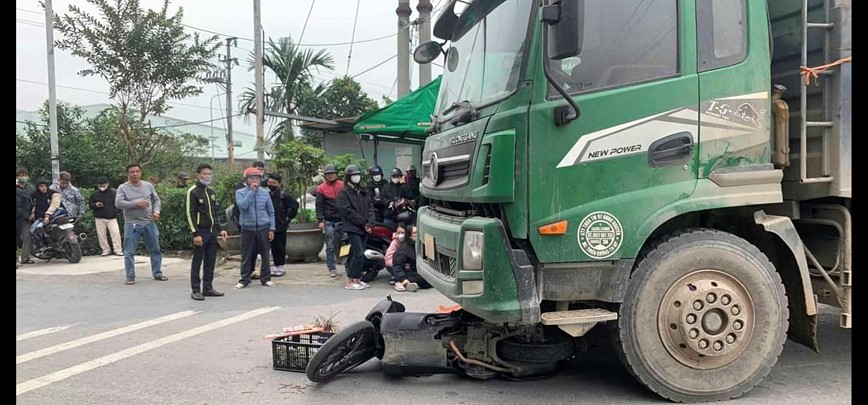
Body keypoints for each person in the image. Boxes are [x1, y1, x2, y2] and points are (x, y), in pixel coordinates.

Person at [115, 163, 167, 285]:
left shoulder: (148, 185)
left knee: (155, 249)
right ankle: (130, 276)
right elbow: (118, 203)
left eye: (137, 171)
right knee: (129, 252)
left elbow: (156, 200)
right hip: (132, 223)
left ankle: (157, 273)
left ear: (141, 172)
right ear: (127, 174)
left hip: (149, 222)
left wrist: (156, 211)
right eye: (132, 172)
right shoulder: (123, 188)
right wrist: (136, 203)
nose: (135, 174)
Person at [186, 164, 229, 301]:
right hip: (201, 232)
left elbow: (214, 214)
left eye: (209, 174)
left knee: (211, 260)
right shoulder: (193, 192)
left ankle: (208, 288)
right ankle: (196, 289)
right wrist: (195, 233)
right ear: (198, 175)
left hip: (212, 233)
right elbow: (190, 214)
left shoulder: (211, 192)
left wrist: (220, 229)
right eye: (204, 174)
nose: (207, 176)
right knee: (197, 261)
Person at [234, 167, 276, 289]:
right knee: (246, 254)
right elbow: (243, 206)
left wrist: (272, 228)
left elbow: (271, 211)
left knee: (265, 254)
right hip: (247, 227)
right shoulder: (240, 192)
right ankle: (244, 279)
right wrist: (251, 192)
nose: (255, 181)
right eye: (252, 178)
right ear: (246, 180)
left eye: (257, 178)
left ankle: (266, 278)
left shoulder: (265, 193)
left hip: (264, 227)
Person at [338, 164, 375, 290]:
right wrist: (363, 222)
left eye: (358, 174)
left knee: (358, 253)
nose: (356, 177)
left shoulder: (363, 191)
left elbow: (370, 207)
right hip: (352, 227)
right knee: (358, 253)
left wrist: (370, 223)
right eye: (354, 175)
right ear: (348, 177)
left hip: (364, 227)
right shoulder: (344, 192)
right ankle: (350, 280)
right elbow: (347, 211)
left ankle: (357, 279)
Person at [266, 173, 299, 277]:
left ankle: (280, 267)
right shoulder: (266, 194)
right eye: (270, 182)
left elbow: (294, 205)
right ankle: (272, 267)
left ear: (279, 184)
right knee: (270, 247)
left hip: (280, 225)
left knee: (280, 247)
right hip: (267, 225)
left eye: (274, 183)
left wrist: (288, 218)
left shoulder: (283, 195)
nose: (271, 184)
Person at [315, 164, 344, 278]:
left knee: (346, 243)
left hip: (343, 220)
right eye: (328, 174)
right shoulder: (321, 188)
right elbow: (319, 205)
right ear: (325, 176)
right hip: (329, 221)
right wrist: (320, 220)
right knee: (330, 245)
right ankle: (332, 268)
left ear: (336, 174)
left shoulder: (342, 185)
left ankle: (347, 264)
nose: (330, 176)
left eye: (332, 173)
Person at [88, 176, 123, 256]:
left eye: (103, 185)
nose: (102, 187)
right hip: (99, 218)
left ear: (107, 184)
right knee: (101, 235)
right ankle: (105, 250)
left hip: (112, 218)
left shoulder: (114, 193)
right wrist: (96, 205)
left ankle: (118, 250)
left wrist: (115, 212)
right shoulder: (94, 194)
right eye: (100, 185)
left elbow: (119, 205)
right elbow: (90, 205)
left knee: (115, 233)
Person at [391, 225, 431, 292]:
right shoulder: (403, 249)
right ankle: (404, 283)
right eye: (415, 233)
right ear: (409, 236)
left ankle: (412, 284)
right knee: (424, 279)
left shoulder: (420, 245)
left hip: (419, 271)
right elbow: (397, 266)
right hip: (409, 273)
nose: (418, 234)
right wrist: (403, 278)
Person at [30, 179, 63, 251]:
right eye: (41, 186)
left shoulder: (53, 193)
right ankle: (43, 246)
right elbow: (32, 206)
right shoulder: (34, 195)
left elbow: (54, 205)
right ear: (38, 187)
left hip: (54, 217)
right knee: (33, 230)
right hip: (40, 218)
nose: (44, 188)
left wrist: (47, 215)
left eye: (45, 186)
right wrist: (32, 213)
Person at [16, 168, 34, 265]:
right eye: (21, 175)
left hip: (25, 217)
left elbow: (36, 201)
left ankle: (25, 258)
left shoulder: (31, 188)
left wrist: (33, 212)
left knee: (27, 236)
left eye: (25, 175)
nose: (23, 177)